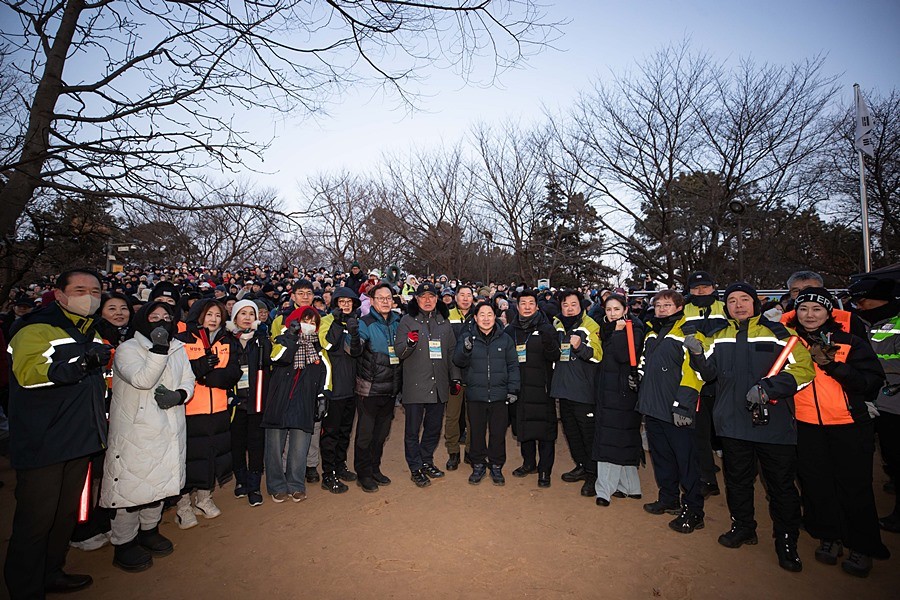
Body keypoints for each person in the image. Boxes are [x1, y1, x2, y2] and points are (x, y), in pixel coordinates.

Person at [686, 282, 815, 572]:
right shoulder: (719, 336)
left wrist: (770, 388)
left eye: (744, 299)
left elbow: (804, 370)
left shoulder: (780, 333)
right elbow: (707, 374)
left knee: (781, 486)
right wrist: (696, 354)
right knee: (737, 481)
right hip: (732, 422)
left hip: (774, 423)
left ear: (755, 303)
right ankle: (743, 526)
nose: (739, 305)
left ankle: (786, 541)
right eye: (732, 301)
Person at [5, 269, 109, 597]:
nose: (89, 296)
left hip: (79, 439)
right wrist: (81, 364)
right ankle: (25, 588)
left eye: (95, 290)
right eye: (80, 289)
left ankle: (52, 571)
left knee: (64, 517)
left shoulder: (91, 330)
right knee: (35, 521)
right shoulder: (33, 327)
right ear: (60, 294)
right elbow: (29, 373)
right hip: (43, 442)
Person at [787, 288, 889, 577]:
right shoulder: (789, 343)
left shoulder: (850, 341)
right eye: (803, 309)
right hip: (806, 425)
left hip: (849, 425)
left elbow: (870, 384)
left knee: (854, 486)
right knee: (816, 484)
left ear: (829, 312)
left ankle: (862, 545)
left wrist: (834, 366)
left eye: (816, 309)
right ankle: (828, 536)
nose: (809, 315)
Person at [100, 301, 194, 572]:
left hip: (170, 423)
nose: (161, 321)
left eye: (167, 317)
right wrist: (159, 349)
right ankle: (124, 542)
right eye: (155, 317)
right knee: (132, 484)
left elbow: (188, 378)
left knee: (160, 480)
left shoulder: (178, 348)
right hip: (137, 429)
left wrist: (181, 395)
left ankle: (149, 530)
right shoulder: (128, 349)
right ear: (143, 320)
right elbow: (143, 379)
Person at [636, 290, 705, 532]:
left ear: (679, 306)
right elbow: (645, 362)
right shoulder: (652, 331)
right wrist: (639, 378)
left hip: (676, 407)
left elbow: (695, 372)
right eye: (658, 305)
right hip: (653, 406)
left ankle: (694, 509)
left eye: (667, 305)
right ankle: (668, 498)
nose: (662, 309)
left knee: (685, 460)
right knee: (662, 456)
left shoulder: (688, 330)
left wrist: (684, 405)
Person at [173, 299, 241, 529]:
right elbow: (176, 374)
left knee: (213, 455)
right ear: (198, 315)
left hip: (219, 408)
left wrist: (208, 377)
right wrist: (199, 369)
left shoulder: (227, 341)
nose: (213, 319)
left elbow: (233, 372)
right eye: (209, 314)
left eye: (218, 315)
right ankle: (183, 505)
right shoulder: (182, 341)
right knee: (189, 459)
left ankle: (204, 498)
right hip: (190, 410)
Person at [394, 282, 461, 487]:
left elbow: (451, 353)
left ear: (437, 298)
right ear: (416, 299)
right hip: (415, 386)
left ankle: (426, 460)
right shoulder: (407, 321)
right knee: (412, 431)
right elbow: (399, 352)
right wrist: (410, 343)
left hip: (438, 386)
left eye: (431, 296)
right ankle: (415, 467)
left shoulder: (444, 322)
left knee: (433, 428)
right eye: (423, 296)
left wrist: (455, 377)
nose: (428, 300)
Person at [262, 306, 331, 503]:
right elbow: (276, 358)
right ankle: (276, 485)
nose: (308, 325)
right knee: (274, 447)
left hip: (304, 402)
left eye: (312, 322)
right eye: (304, 320)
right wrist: (291, 336)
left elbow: (326, 374)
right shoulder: (282, 340)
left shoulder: (319, 348)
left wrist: (322, 396)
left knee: (300, 447)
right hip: (279, 400)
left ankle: (296, 484)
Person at [848, 277, 900, 533]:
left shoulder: (897, 321)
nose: (859, 306)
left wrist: (867, 365)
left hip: (893, 401)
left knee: (895, 453)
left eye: (863, 301)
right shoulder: (858, 321)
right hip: (865, 399)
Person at [454, 302, 520, 485]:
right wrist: (465, 349)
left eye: (489, 314)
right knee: (476, 432)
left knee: (498, 433)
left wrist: (513, 389)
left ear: (495, 317)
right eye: (481, 314)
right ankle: (478, 465)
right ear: (475, 318)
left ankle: (496, 466)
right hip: (476, 395)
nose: (485, 318)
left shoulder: (505, 339)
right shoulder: (468, 337)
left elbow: (513, 365)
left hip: (499, 395)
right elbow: (457, 360)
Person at [347, 283, 402, 492]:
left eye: (389, 298)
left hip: (391, 389)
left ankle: (375, 468)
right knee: (365, 434)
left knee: (382, 434)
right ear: (372, 301)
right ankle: (363, 473)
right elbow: (354, 351)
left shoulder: (398, 322)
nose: (386, 301)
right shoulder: (365, 323)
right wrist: (353, 335)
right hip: (369, 389)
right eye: (381, 298)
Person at [504, 288, 560, 487]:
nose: (527, 307)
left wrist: (549, 342)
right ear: (517, 307)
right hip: (519, 388)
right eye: (523, 304)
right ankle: (529, 463)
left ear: (536, 306)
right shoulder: (510, 331)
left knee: (545, 432)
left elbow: (555, 356)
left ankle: (545, 470)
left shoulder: (547, 328)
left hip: (542, 388)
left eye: (531, 303)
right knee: (524, 428)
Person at [593, 294, 645, 506]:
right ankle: (630, 486)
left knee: (611, 438)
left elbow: (623, 356)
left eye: (616, 309)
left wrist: (617, 333)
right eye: (608, 309)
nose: (612, 313)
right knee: (622, 436)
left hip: (622, 392)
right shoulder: (608, 329)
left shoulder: (633, 329)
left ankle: (604, 490)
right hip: (610, 389)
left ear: (625, 310)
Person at [681, 271, 728, 499]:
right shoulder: (684, 309)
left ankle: (735, 477)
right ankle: (707, 479)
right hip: (696, 378)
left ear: (713, 287)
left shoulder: (726, 306)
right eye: (696, 287)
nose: (700, 291)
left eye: (705, 286)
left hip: (726, 378)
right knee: (699, 433)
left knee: (727, 432)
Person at [551, 290, 602, 496]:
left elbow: (598, 356)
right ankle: (581, 465)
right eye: (565, 304)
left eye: (573, 304)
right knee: (571, 432)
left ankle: (593, 474)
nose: (569, 308)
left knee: (587, 434)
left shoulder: (590, 326)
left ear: (581, 306)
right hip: (563, 389)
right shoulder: (557, 326)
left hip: (583, 391)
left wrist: (580, 347)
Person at [226, 300, 272, 507]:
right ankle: (240, 481)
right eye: (242, 313)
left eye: (250, 314)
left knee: (256, 445)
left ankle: (254, 486)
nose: (246, 317)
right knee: (237, 445)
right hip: (234, 403)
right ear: (234, 317)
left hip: (257, 402)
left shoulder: (261, 340)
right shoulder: (227, 341)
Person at [317, 287, 361, 493]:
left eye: (349, 302)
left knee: (345, 431)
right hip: (333, 387)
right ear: (335, 303)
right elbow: (327, 344)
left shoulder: (355, 322)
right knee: (331, 433)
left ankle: (340, 465)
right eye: (341, 301)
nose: (345, 305)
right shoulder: (326, 321)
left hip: (351, 387)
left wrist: (353, 331)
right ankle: (328, 473)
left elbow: (357, 352)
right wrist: (336, 322)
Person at [445, 285, 475, 470]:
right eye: (461, 295)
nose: (465, 298)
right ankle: (453, 453)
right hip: (453, 374)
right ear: (455, 297)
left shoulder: (480, 315)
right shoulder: (447, 316)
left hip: (474, 375)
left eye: (469, 295)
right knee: (452, 417)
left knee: (474, 417)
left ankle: (471, 453)